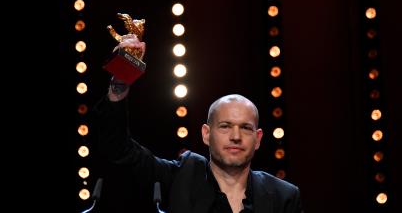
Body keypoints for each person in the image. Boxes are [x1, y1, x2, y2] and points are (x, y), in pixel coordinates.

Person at [92, 33, 303, 213]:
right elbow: (118, 148)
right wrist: (120, 81)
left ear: (258, 139)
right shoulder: (180, 178)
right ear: (206, 134)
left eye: (245, 128)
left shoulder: (284, 197)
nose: (236, 136)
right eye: (225, 126)